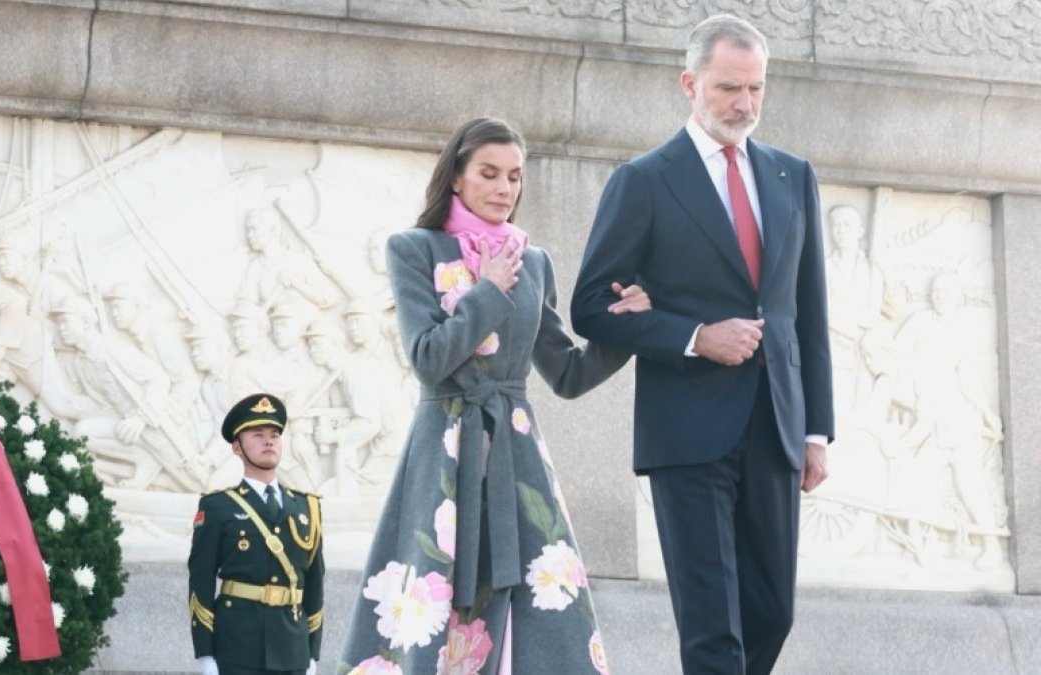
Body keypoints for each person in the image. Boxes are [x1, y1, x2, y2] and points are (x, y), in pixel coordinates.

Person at [570, 14, 834, 674]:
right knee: (713, 627)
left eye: (756, 88)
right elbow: (591, 306)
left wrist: (816, 431)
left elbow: (807, 312)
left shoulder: (792, 175)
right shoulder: (645, 180)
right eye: (728, 88)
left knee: (772, 612)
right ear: (690, 84)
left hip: (776, 424)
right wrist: (694, 337)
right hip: (686, 432)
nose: (744, 104)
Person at [339, 117, 651, 674]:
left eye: (514, 176)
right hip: (444, 449)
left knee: (545, 607)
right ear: (456, 177)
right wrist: (486, 291)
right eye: (489, 173)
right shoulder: (413, 250)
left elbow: (567, 373)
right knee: (429, 602)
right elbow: (428, 359)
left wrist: (627, 330)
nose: (504, 188)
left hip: (517, 453)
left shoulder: (533, 262)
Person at [188, 393, 325, 675]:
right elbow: (201, 581)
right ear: (237, 447)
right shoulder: (218, 506)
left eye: (275, 435)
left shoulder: (307, 507)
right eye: (258, 434)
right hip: (237, 648)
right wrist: (206, 655)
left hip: (293, 649)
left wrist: (313, 653)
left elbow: (314, 583)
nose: (269, 441)